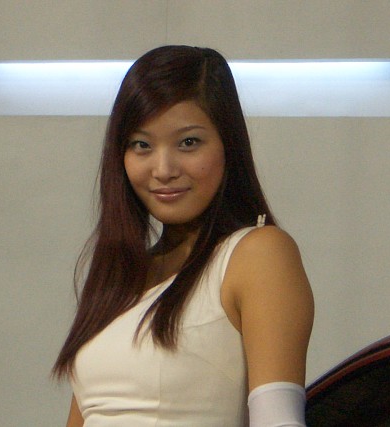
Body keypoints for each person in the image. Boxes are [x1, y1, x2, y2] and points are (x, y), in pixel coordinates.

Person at [52, 45, 314, 426]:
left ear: (228, 145)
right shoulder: (120, 275)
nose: (163, 169)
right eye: (141, 145)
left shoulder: (257, 254)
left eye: (188, 142)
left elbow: (279, 421)